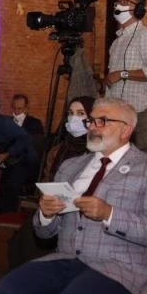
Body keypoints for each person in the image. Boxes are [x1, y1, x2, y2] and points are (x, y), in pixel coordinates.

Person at [0, 98, 147, 294]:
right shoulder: (71, 166)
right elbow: (44, 233)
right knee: (6, 292)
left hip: (118, 266)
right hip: (67, 259)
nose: (92, 127)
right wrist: (46, 215)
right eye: (92, 121)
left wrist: (109, 214)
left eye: (102, 121)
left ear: (126, 129)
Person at [8, 96, 94, 270]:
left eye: (80, 114)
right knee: (21, 240)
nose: (74, 119)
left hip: (82, 217)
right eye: (70, 113)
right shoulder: (58, 150)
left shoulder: (97, 152)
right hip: (53, 209)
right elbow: (47, 180)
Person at [104, 0, 147, 153]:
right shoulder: (117, 41)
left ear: (138, 10)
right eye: (118, 2)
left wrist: (123, 74)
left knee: (140, 160)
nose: (119, 5)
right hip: (115, 112)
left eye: (125, 2)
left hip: (138, 112)